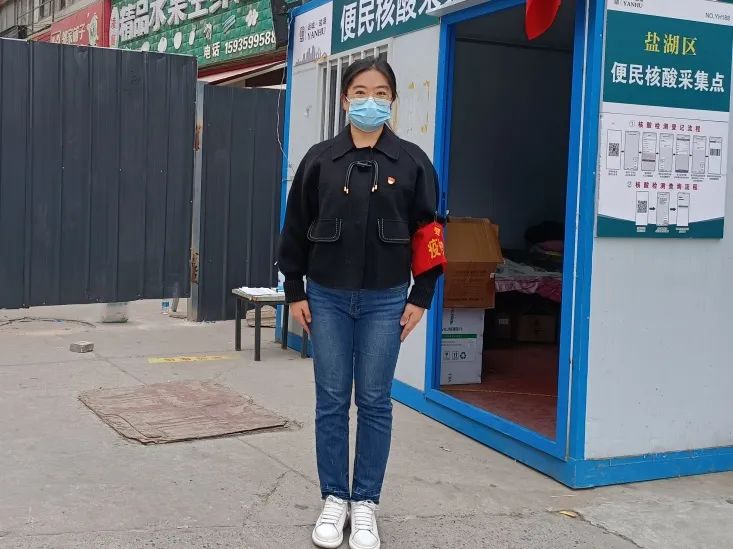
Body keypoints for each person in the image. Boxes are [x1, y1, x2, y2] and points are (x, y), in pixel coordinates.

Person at [278, 58, 443, 549]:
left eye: (381, 93)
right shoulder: (319, 160)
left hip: (385, 301)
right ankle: (334, 498)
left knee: (373, 401)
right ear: (344, 99)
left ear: (393, 101)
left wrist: (421, 295)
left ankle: (366, 502)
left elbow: (430, 232)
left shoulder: (412, 162)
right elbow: (295, 226)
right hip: (325, 298)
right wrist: (294, 290)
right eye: (360, 92)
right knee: (331, 400)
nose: (371, 101)